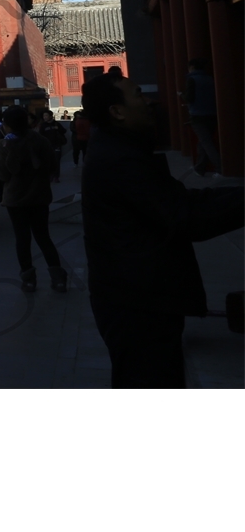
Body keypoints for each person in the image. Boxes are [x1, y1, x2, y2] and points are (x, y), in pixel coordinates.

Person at [81, 71, 243, 387]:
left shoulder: (119, 149)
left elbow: (177, 201)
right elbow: (185, 214)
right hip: (137, 304)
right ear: (117, 112)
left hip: (137, 294)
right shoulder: (119, 159)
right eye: (138, 95)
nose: (149, 101)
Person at [0, 105, 66, 293]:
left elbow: (2, 175)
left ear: (8, 125)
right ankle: (58, 277)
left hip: (16, 199)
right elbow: (52, 165)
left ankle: (29, 278)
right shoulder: (40, 140)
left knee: (22, 238)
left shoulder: (5, 145)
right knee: (43, 237)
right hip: (39, 196)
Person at [183, 57, 220, 174]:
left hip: (197, 115)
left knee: (206, 143)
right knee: (204, 141)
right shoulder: (210, 79)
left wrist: (181, 96)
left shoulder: (191, 80)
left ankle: (221, 167)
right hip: (212, 113)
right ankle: (200, 167)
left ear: (192, 67)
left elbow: (189, 98)